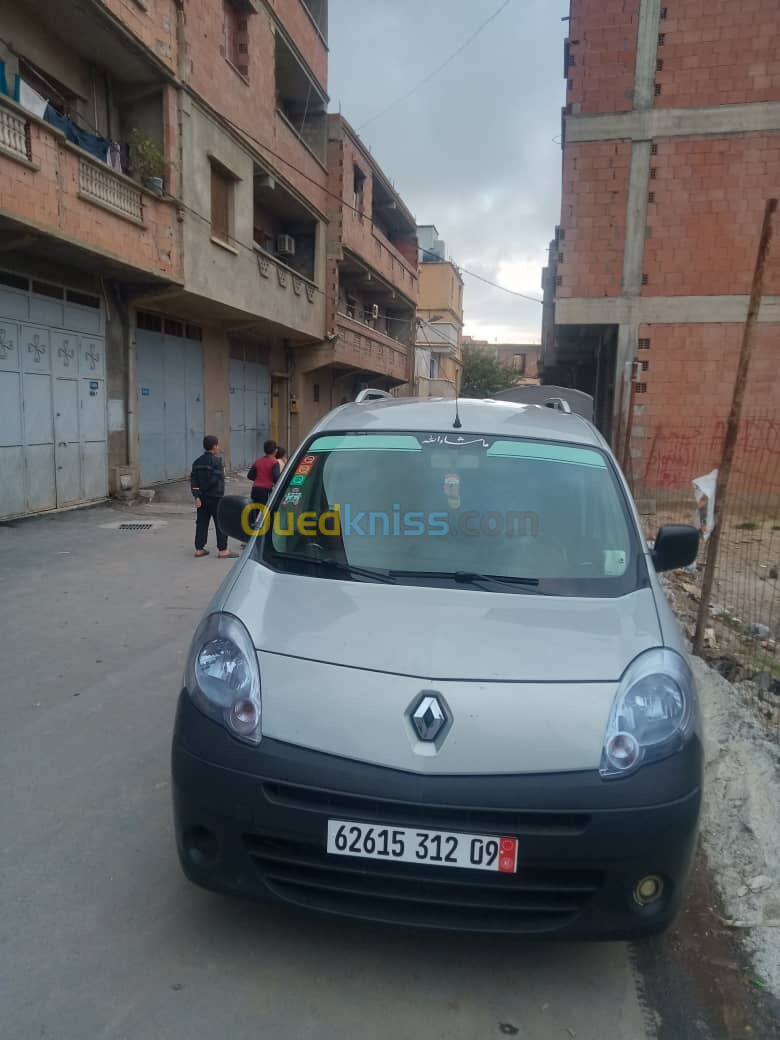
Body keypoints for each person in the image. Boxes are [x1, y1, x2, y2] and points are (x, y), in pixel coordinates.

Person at [190, 435, 237, 559]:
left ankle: (199, 549)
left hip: (201, 499)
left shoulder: (197, 462)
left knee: (201, 523)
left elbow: (193, 480)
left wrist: (197, 496)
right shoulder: (217, 462)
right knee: (221, 523)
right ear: (214, 446)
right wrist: (204, 491)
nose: (219, 447)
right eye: (218, 445)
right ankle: (223, 550)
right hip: (215, 498)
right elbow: (215, 480)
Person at [248, 439, 278, 507]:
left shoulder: (258, 461)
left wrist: (260, 479)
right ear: (275, 450)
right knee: (265, 511)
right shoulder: (274, 462)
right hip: (266, 490)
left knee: (256, 511)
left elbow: (250, 475)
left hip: (255, 489)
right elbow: (276, 478)